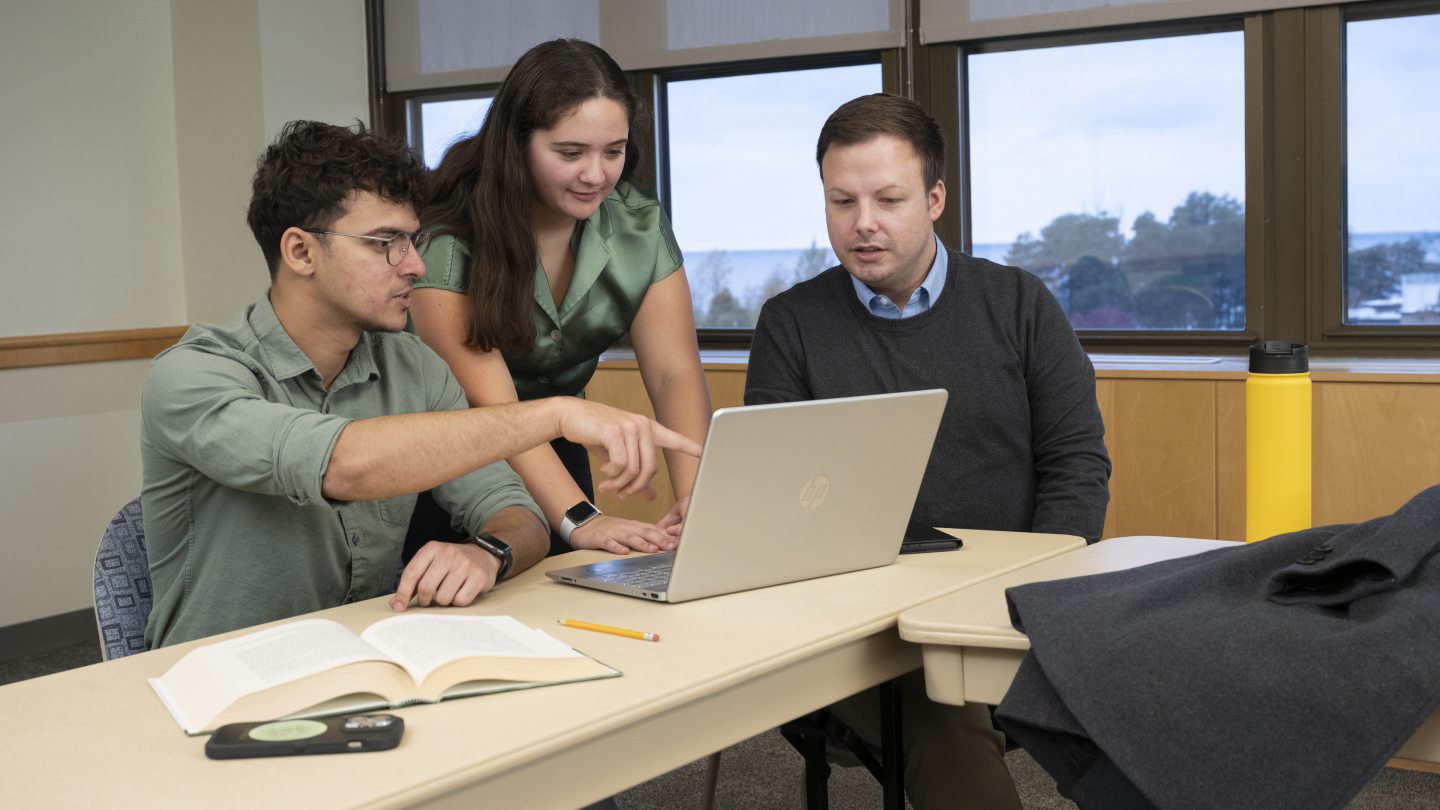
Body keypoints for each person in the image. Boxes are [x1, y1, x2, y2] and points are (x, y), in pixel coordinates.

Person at [141, 120, 701, 649]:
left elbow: (516, 512)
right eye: (386, 243)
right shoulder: (194, 376)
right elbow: (343, 465)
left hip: (365, 661)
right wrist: (553, 414)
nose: (414, 265)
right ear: (300, 251)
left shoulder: (416, 367)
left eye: (412, 240)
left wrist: (488, 552)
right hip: (221, 680)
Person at [745, 94, 1111, 809]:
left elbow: (1077, 465)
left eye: (888, 198)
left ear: (935, 198)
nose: (863, 223)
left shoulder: (1019, 304)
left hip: (1012, 605)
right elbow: (776, 498)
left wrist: (1021, 604)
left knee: (1160, 689)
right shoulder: (791, 324)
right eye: (841, 201)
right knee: (939, 703)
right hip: (860, 626)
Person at [412, 39, 711, 558]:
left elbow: (674, 372)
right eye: (570, 153)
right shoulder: (448, 243)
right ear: (517, 145)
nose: (596, 174)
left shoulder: (637, 222)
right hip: (450, 462)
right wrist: (580, 519)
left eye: (613, 152)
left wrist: (700, 499)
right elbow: (495, 407)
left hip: (558, 450)